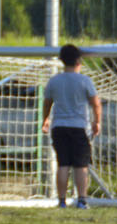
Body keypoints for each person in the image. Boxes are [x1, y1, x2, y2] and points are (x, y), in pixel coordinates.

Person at [40, 43, 102, 208]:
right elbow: (96, 103)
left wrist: (45, 119)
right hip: (78, 127)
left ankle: (61, 201)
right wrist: (97, 122)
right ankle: (82, 200)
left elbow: (47, 103)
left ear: (62, 61)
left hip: (59, 127)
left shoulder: (54, 81)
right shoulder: (84, 80)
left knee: (63, 164)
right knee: (81, 165)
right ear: (79, 61)